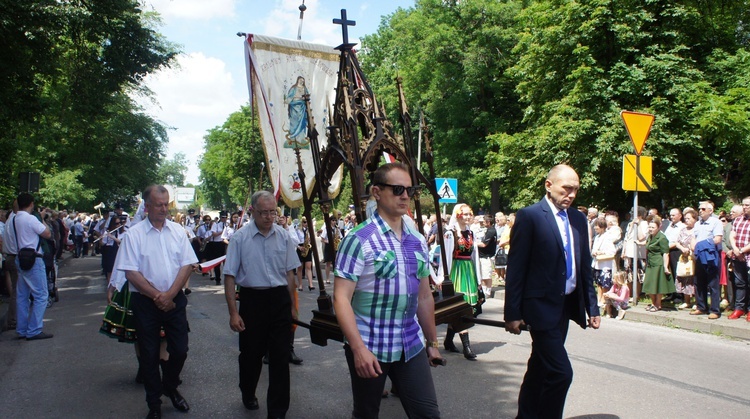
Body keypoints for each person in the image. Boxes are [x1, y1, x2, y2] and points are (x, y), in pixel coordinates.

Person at [333, 162, 441, 419]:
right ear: (377, 192)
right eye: (398, 189)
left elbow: (424, 296)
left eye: (410, 190)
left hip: (410, 343)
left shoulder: (417, 240)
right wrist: (358, 349)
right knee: (367, 413)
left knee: (428, 414)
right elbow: (341, 298)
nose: (405, 196)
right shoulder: (358, 239)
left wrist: (433, 343)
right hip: (370, 344)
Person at [504, 164, 601, 419]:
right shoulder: (530, 216)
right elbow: (516, 268)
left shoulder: (579, 219)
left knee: (540, 367)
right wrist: (512, 313)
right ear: (549, 185)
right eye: (566, 188)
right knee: (560, 373)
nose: (570, 194)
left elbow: (583, 266)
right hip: (539, 307)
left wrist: (593, 306)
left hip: (565, 306)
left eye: (575, 190)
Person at [114, 185, 198, 419]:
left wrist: (170, 295)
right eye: (159, 204)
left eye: (166, 204)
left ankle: (170, 386)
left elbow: (187, 265)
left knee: (180, 350)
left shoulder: (178, 231)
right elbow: (131, 272)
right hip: (145, 304)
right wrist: (157, 296)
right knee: (149, 354)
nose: (164, 209)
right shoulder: (134, 234)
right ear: (147, 206)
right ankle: (154, 404)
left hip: (174, 301)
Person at [222, 191, 300, 417]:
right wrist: (233, 313)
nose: (268, 217)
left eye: (272, 212)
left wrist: (293, 307)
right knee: (250, 356)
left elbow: (290, 274)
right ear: (252, 211)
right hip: (252, 301)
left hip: (279, 301)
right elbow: (229, 276)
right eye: (263, 212)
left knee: (279, 358)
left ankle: (277, 412)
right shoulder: (240, 238)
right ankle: (248, 391)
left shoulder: (283, 236)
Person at [443, 203, 482, 360]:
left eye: (469, 214)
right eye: (465, 214)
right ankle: (466, 347)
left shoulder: (471, 233)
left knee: (463, 308)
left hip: (468, 271)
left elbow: (475, 256)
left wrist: (478, 278)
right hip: (456, 270)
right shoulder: (450, 233)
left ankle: (448, 341)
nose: (468, 217)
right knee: (460, 308)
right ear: (458, 215)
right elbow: (445, 257)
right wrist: (442, 278)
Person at [12, 193, 53, 340]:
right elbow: (47, 233)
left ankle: (22, 329)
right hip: (34, 258)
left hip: (21, 256)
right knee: (41, 295)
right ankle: (34, 329)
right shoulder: (30, 219)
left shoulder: (15, 218)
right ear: (31, 204)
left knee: (22, 296)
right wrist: (41, 218)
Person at [691, 201, 723, 319]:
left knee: (713, 283)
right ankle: (701, 307)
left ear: (710, 211)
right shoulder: (698, 224)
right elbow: (694, 237)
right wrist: (693, 246)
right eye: (699, 209)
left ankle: (715, 310)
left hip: (711, 255)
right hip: (699, 255)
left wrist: (701, 245)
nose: (700, 211)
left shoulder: (716, 222)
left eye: (703, 209)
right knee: (699, 281)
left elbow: (717, 239)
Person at [642, 216, 675, 311]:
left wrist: (665, 267)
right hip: (650, 263)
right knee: (649, 284)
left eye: (653, 227)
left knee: (658, 284)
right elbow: (647, 246)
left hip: (658, 263)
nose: (651, 229)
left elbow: (666, 253)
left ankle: (658, 304)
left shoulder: (662, 238)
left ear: (658, 227)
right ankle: (653, 302)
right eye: (649, 227)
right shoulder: (650, 236)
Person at [729, 197, 750, 320]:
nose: (745, 207)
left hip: (748, 256)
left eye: (747, 205)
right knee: (739, 283)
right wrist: (736, 249)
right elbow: (732, 235)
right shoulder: (738, 220)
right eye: (744, 205)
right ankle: (739, 308)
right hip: (737, 257)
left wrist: (742, 250)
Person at [674, 209, 698, 310]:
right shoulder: (683, 230)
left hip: (694, 258)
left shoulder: (697, 229)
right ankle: (686, 301)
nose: (686, 220)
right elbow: (677, 242)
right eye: (686, 218)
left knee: (694, 279)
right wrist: (682, 248)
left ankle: (697, 302)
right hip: (684, 257)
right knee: (684, 278)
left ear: (694, 219)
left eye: (689, 218)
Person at [591, 218, 616, 306]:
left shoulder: (607, 237)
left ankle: (605, 301)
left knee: (605, 284)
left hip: (605, 264)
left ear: (602, 227)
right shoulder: (597, 237)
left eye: (596, 226)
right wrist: (594, 252)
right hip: (597, 263)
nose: (595, 227)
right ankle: (599, 299)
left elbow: (612, 252)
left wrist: (601, 252)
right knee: (598, 283)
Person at [476, 214, 497, 298]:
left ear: (488, 222)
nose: (482, 223)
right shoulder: (488, 230)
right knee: (482, 274)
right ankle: (484, 290)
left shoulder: (491, 231)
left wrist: (473, 243)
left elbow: (484, 244)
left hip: (486, 256)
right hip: (482, 256)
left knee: (486, 275)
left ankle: (487, 292)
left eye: (484, 221)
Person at [285, 75, 309, 145]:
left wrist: (305, 99)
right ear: (298, 80)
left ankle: (300, 139)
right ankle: (293, 139)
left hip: (302, 107)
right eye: (301, 80)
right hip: (294, 106)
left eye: (303, 80)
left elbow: (307, 96)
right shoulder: (294, 88)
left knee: (302, 122)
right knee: (294, 122)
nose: (302, 81)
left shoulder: (305, 88)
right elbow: (289, 97)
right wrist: (288, 100)